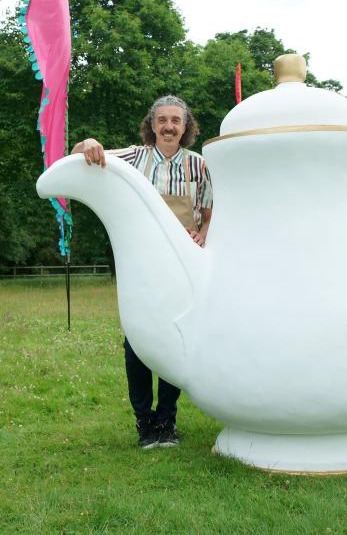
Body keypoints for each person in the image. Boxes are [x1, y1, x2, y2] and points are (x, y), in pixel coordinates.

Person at [73, 95, 213, 449]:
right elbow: (78, 156)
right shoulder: (135, 157)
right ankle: (144, 422)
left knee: (176, 340)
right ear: (152, 125)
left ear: (186, 127)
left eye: (175, 121)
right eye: (162, 120)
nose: (168, 126)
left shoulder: (200, 166)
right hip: (143, 270)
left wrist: (202, 234)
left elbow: (209, 213)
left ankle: (166, 422)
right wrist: (88, 143)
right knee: (136, 344)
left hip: (183, 270)